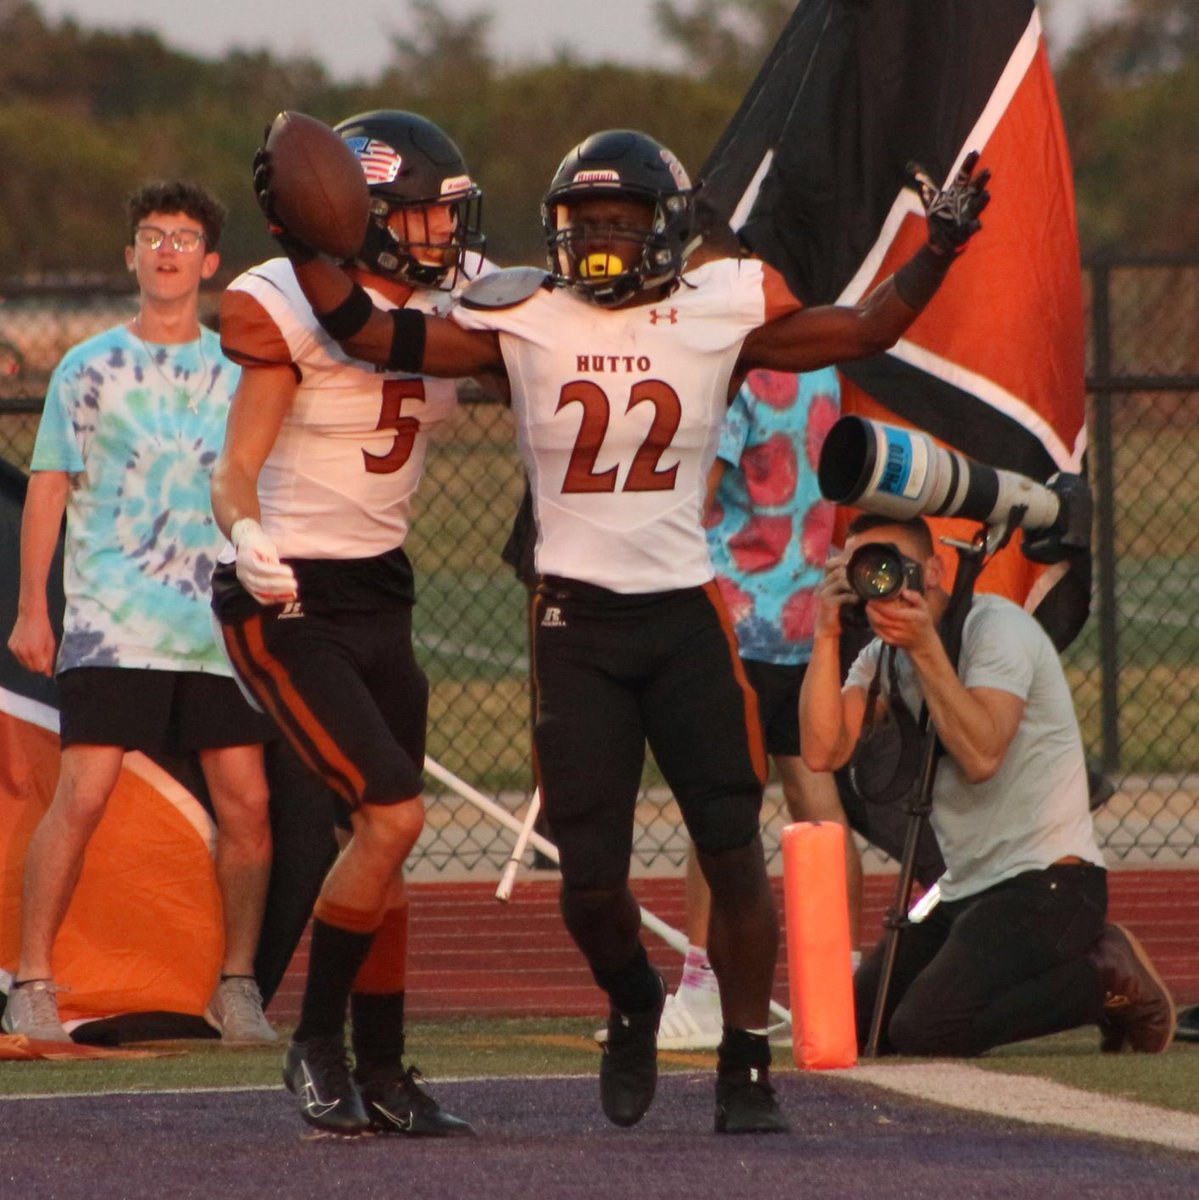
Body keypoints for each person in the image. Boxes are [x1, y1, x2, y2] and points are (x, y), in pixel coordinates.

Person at [262, 128, 991, 1133]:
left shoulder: (718, 306)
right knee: (589, 887)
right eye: (584, 223)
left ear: (665, 229)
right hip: (575, 623)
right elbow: (370, 335)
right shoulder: (525, 314)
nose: (601, 241)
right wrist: (306, 233)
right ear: (555, 232)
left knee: (731, 849)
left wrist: (937, 247)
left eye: (621, 221)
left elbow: (861, 328)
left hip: (684, 618)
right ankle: (636, 999)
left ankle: (744, 1063)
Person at [211, 110, 484, 1138]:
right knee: (393, 815)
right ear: (355, 215)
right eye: (419, 216)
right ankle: (315, 1043)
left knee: (382, 842)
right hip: (287, 597)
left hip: (381, 591)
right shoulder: (280, 308)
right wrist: (244, 533)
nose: (440, 236)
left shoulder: (452, 293)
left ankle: (383, 1068)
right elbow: (234, 469)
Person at [3, 181, 278, 1046]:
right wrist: (30, 612)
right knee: (81, 793)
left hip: (215, 626)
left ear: (211, 262)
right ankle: (33, 981)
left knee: (249, 803)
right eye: (152, 235)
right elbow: (48, 489)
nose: (166, 249)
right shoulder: (87, 368)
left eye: (184, 237)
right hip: (110, 622)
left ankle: (237, 986)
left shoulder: (241, 370)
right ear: (130, 255)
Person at [798, 512, 1177, 1056]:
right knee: (858, 1026)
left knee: (924, 1030)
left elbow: (981, 755)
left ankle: (1105, 980)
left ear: (932, 570)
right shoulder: (881, 656)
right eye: (863, 569)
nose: (879, 582)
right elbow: (820, 749)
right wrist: (825, 633)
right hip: (959, 888)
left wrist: (927, 649)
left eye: (890, 565)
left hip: (1047, 881)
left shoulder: (995, 628)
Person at [653, 366, 862, 1052]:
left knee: (716, 803)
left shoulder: (736, 371)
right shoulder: (823, 368)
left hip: (733, 612)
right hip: (805, 608)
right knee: (816, 794)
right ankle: (843, 980)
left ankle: (703, 985)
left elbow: (700, 489)